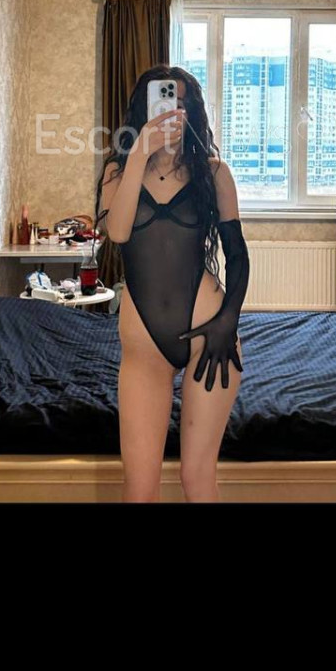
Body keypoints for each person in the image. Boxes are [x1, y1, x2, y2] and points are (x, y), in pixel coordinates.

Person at [95, 64, 250, 503]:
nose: (170, 111)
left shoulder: (214, 173)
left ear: (191, 111)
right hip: (144, 349)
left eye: (179, 102)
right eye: (161, 101)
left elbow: (238, 257)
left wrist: (228, 321)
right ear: (143, 111)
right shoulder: (117, 172)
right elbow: (117, 233)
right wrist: (139, 154)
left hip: (209, 336)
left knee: (196, 479)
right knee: (139, 490)